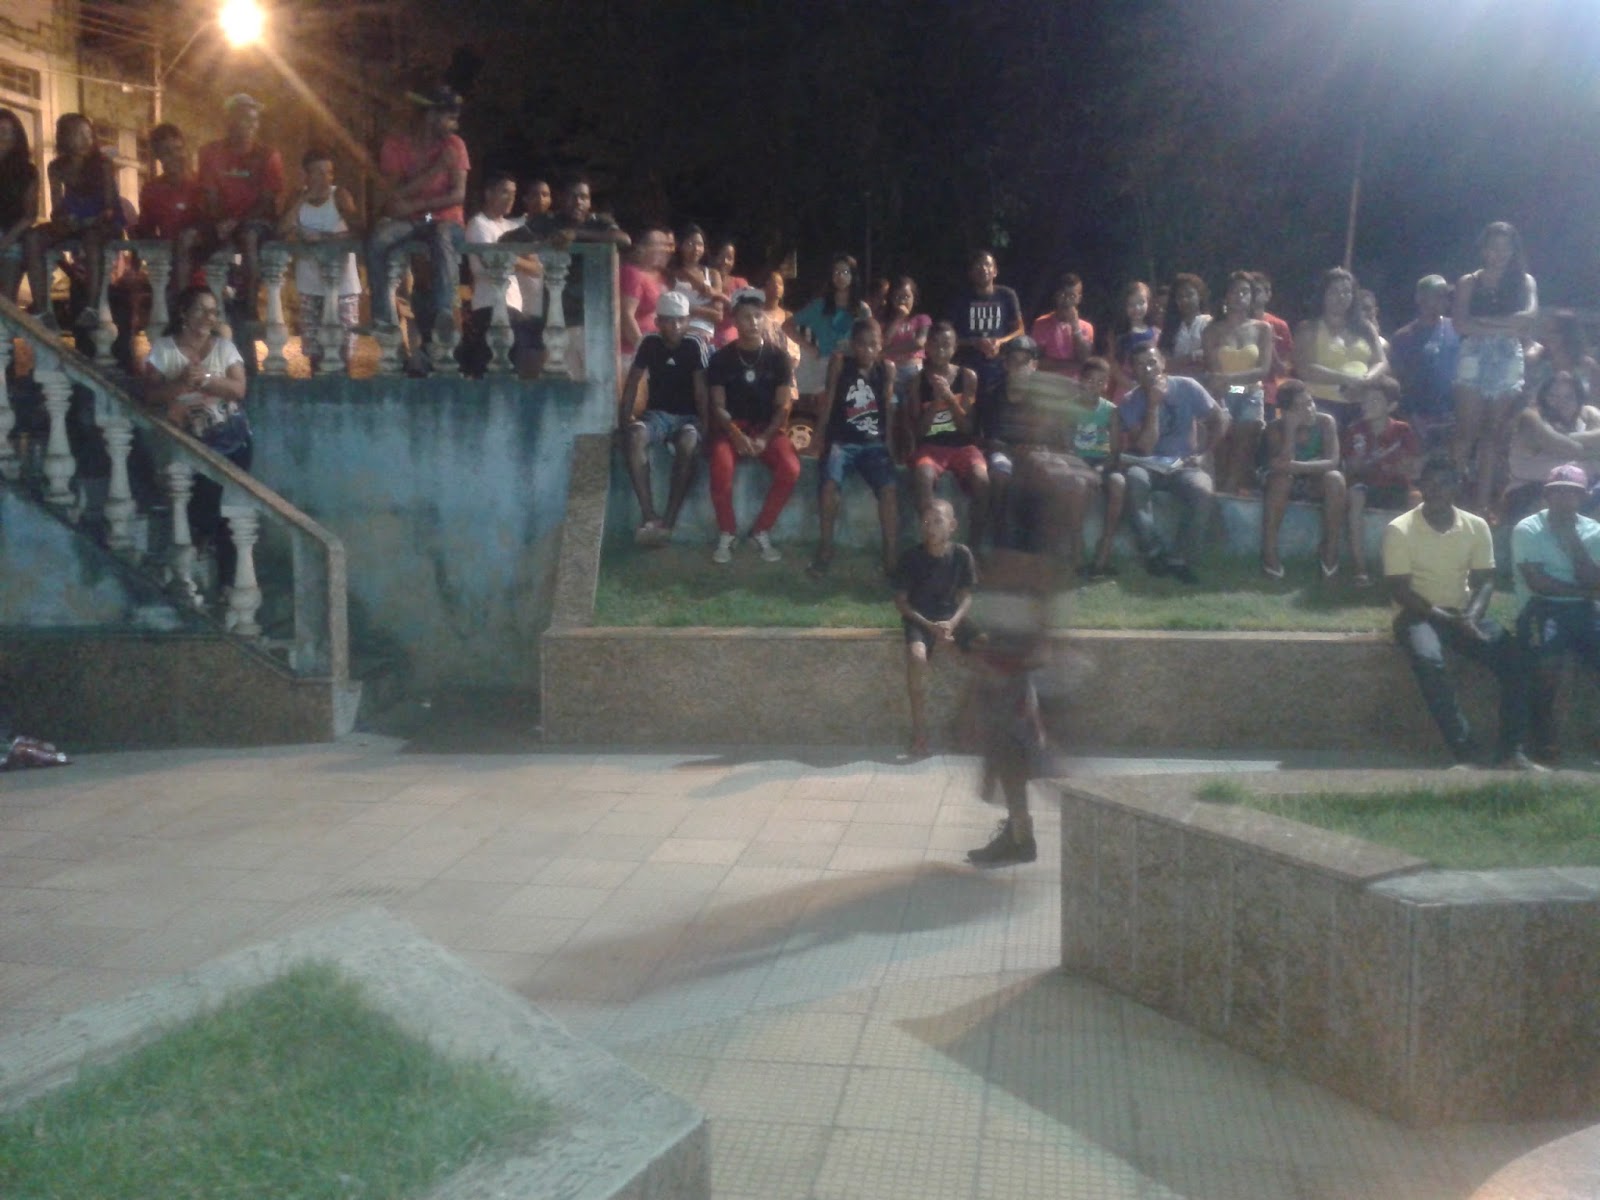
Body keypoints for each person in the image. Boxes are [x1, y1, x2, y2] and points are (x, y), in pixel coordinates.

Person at [1381, 456, 1526, 767]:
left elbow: (1486, 580)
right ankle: (1466, 752)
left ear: (1456, 487)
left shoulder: (1476, 526)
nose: (1435, 491)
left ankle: (1511, 751)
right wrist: (1450, 620)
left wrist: (1471, 618)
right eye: (1429, 484)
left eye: (1444, 484)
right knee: (1430, 660)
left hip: (1462, 613)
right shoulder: (1400, 529)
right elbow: (1400, 590)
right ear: (1420, 487)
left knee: (1515, 656)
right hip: (1417, 615)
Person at [139, 285, 251, 591]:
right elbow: (150, 394)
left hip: (231, 438)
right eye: (201, 309)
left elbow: (239, 389)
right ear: (184, 313)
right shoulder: (164, 349)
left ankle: (227, 581)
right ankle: (205, 565)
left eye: (213, 311)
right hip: (190, 440)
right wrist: (180, 384)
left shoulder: (224, 348)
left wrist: (208, 380)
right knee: (201, 503)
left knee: (228, 510)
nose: (208, 317)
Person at [366, 84, 470, 372]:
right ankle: (382, 316)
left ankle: (443, 312)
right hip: (416, 220)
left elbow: (458, 195)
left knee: (441, 233)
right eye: (449, 118)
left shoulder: (454, 145)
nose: (454, 125)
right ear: (430, 116)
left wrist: (414, 205)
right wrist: (436, 171)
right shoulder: (396, 145)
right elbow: (392, 196)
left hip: (442, 219)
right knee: (378, 239)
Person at [1511, 463, 1600, 766]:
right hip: (1541, 606)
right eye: (1557, 492)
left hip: (1584, 609)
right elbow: (1538, 583)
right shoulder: (1528, 528)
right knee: (1546, 667)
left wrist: (1572, 539)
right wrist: (1587, 592)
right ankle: (1542, 737)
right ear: (1546, 496)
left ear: (1583, 497)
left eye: (1572, 493)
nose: (1564, 498)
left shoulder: (1593, 531)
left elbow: (1595, 579)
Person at [1119, 343, 1227, 583]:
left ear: (1163, 363)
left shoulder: (1187, 387)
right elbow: (1145, 446)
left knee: (1202, 489)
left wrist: (1204, 454)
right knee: (1135, 480)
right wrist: (1153, 405)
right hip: (1147, 464)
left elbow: (1219, 419)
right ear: (1133, 371)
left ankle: (1180, 558)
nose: (1148, 369)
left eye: (1152, 362)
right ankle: (1153, 551)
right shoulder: (1130, 401)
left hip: (1183, 465)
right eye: (1140, 365)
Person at [705, 293, 800, 563]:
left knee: (791, 468)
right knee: (720, 466)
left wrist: (765, 438)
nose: (753, 322)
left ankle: (761, 530)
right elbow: (717, 405)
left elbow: (783, 405)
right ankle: (727, 532)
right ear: (735, 320)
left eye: (758, 316)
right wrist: (735, 434)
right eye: (746, 317)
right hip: (732, 427)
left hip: (766, 428)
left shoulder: (779, 358)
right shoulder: (721, 359)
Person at [1452, 221, 1538, 513]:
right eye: (1493, 247)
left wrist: (1484, 323)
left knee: (1493, 433)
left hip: (1508, 357)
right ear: (1484, 249)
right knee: (1466, 431)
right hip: (1474, 355)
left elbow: (1529, 318)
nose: (1499, 253)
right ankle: (1450, 499)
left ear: (1514, 250)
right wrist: (1506, 325)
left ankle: (1481, 505)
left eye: (1505, 247)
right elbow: (1460, 324)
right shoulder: (1469, 282)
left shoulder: (1525, 281)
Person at [616, 290, 709, 545]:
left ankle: (669, 520)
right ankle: (649, 515)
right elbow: (632, 383)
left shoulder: (694, 344)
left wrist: (706, 427)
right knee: (635, 435)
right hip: (657, 416)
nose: (675, 326)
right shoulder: (649, 343)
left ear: (688, 321)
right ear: (658, 322)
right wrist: (624, 422)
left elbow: (702, 391)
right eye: (668, 320)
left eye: (680, 320)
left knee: (688, 442)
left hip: (688, 417)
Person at [811, 317, 899, 577]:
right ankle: (826, 549)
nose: (867, 350)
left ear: (881, 345)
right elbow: (828, 401)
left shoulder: (887, 369)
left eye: (873, 344)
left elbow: (887, 409)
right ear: (853, 345)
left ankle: (891, 556)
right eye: (862, 344)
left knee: (889, 490)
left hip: (873, 443)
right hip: (842, 441)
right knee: (829, 485)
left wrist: (890, 444)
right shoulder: (840, 363)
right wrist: (818, 438)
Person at [892, 499, 976, 757]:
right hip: (920, 618)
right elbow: (902, 603)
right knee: (917, 657)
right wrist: (930, 626)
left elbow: (967, 597)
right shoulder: (911, 557)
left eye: (938, 522)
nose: (931, 528)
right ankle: (920, 733)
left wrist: (952, 624)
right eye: (926, 522)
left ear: (952, 525)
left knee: (986, 654)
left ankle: (966, 728)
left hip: (950, 617)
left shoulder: (962, 554)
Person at [23, 113, 121, 332]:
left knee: (92, 238)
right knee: (33, 237)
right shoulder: (56, 167)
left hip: (102, 222)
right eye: (78, 134)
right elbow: (57, 206)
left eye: (88, 134)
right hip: (75, 221)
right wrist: (63, 219)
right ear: (65, 138)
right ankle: (41, 308)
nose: (86, 139)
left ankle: (92, 307)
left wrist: (86, 221)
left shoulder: (103, 164)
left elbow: (109, 207)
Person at [195, 94, 283, 330]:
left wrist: (235, 221)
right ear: (231, 121)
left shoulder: (267, 155)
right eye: (245, 119)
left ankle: (249, 304)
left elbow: (267, 199)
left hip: (256, 220)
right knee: (191, 239)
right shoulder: (210, 152)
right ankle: (188, 301)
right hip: (222, 218)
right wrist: (219, 220)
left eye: (255, 120)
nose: (252, 125)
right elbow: (209, 193)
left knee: (249, 236)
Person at [280, 147, 361, 373]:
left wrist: (324, 238)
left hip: (342, 286)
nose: (325, 178)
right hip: (310, 286)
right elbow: (282, 230)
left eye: (329, 172)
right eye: (318, 172)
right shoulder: (297, 198)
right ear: (306, 175)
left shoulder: (340, 196)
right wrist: (302, 199)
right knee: (315, 353)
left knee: (342, 352)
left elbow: (358, 230)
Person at [909, 320, 988, 547]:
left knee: (982, 479)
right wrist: (936, 402)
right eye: (935, 344)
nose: (940, 350)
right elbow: (919, 432)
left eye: (946, 345)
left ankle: (974, 545)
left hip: (962, 447)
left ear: (954, 348)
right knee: (923, 475)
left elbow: (967, 428)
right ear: (927, 347)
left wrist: (950, 398)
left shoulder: (967, 377)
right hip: (931, 447)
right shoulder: (917, 381)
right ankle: (931, 543)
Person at [1260, 380, 1345, 579]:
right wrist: (1290, 430)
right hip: (1283, 484)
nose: (1309, 410)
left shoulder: (1325, 423)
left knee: (1335, 479)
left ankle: (1330, 548)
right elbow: (1280, 465)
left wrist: (1296, 467)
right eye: (1299, 407)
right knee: (1282, 479)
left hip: (1315, 481)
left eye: (1310, 402)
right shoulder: (1274, 429)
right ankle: (1269, 550)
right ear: (1286, 412)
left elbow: (1332, 462)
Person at [1343, 376, 1421, 588]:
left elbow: (1413, 468)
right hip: (1367, 486)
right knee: (1355, 494)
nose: (1367, 405)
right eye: (1365, 400)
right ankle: (1360, 569)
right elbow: (1351, 468)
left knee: (1417, 499)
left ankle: (1412, 568)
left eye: (1375, 400)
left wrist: (1394, 467)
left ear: (1391, 406)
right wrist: (1364, 463)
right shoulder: (1355, 430)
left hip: (1395, 486)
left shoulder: (1402, 430)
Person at [1203, 270, 1274, 495]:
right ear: (1225, 296)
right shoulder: (1212, 330)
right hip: (1223, 393)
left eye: (1245, 291)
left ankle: (1229, 494)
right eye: (1234, 291)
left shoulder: (1263, 328)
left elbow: (1263, 370)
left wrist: (1230, 380)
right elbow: (1214, 370)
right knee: (1222, 448)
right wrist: (1227, 385)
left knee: (1244, 448)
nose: (1239, 296)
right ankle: (1220, 494)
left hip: (1250, 392)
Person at [1502, 371, 1600, 528]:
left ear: (1579, 400)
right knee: (1563, 495)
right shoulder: (1531, 418)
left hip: (1580, 492)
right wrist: (1593, 451)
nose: (1561, 403)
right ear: (1542, 397)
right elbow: (1568, 448)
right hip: (1532, 493)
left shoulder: (1588, 414)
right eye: (1553, 396)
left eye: (1569, 397)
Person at [1294, 266, 1387, 428]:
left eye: (1346, 292)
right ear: (1323, 295)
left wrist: (1365, 381)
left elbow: (1381, 362)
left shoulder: (1365, 328)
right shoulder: (1309, 328)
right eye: (1334, 292)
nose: (1341, 297)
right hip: (1321, 403)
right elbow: (1305, 369)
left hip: (1361, 404)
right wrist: (1347, 379)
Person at [133, 123, 205, 303]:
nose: (175, 156)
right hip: (171, 276)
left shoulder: (203, 184)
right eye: (167, 151)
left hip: (206, 274)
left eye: (178, 149)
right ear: (158, 156)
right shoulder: (152, 190)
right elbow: (146, 229)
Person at [789, 252, 870, 414]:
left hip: (852, 365)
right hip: (824, 366)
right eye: (836, 272)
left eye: (845, 272)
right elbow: (787, 325)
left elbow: (869, 336)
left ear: (853, 276)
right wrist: (809, 347)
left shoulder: (862, 309)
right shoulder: (819, 305)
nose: (840, 276)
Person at [1066, 357, 1125, 578]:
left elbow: (1115, 451)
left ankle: (1104, 549)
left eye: (1101, 382)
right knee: (1079, 484)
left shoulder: (1111, 411)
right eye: (1090, 380)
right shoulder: (1068, 408)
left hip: (1103, 463)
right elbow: (1066, 446)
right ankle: (1077, 550)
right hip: (1078, 462)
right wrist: (1084, 468)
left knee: (1118, 483)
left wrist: (1100, 469)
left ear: (1107, 385)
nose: (1095, 386)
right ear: (1080, 381)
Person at [1387, 275, 1460, 453]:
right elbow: (1399, 382)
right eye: (1437, 295)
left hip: (1453, 415)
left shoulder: (1458, 328)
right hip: (1418, 417)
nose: (1443, 300)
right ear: (1420, 298)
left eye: (1445, 295)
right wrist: (1410, 417)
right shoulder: (1403, 337)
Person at [949, 247, 1025, 417]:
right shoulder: (961, 298)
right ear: (970, 273)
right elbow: (949, 336)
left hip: (999, 366)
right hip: (967, 366)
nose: (983, 269)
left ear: (995, 271)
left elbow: (1020, 330)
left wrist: (1000, 342)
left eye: (987, 265)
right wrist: (974, 342)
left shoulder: (1006, 295)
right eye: (978, 265)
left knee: (995, 413)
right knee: (968, 414)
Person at [617, 225, 671, 368]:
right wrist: (645, 353)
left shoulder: (659, 276)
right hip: (632, 354)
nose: (666, 250)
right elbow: (626, 316)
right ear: (643, 248)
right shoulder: (632, 273)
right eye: (660, 245)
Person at [0, 108, 37, 303]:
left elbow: (29, 215)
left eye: (8, 132)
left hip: (12, 237)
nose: (2, 137)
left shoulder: (27, 172)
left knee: (6, 300)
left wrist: (5, 242)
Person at [1031, 272, 1094, 380]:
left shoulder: (1086, 327)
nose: (1067, 301)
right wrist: (1074, 365)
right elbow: (1037, 362)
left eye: (1072, 296)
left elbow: (1084, 359)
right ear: (1056, 296)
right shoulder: (1041, 323)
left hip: (1073, 386)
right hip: (1047, 383)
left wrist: (1075, 327)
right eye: (1063, 295)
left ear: (1079, 299)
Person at [882, 275, 931, 405]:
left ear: (914, 298)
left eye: (906, 297)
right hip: (892, 372)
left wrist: (886, 352)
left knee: (911, 405)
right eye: (898, 297)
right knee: (891, 405)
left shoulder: (921, 319)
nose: (902, 301)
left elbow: (919, 343)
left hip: (913, 370)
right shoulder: (886, 321)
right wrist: (898, 319)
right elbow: (884, 341)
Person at [1248, 271, 1294, 411]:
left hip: (1267, 394)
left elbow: (1283, 371)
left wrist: (1270, 345)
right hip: (1235, 389)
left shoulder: (1279, 325)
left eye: (1257, 291)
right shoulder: (1230, 324)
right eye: (1248, 291)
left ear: (1268, 295)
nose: (1252, 295)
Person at [1156, 272, 1211, 376]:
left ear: (1199, 295)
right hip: (1177, 382)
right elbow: (1163, 364)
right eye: (1180, 297)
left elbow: (1210, 358)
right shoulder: (1171, 329)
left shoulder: (1210, 324)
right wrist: (1192, 357)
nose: (1185, 300)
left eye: (1189, 295)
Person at [1110, 280, 1157, 399]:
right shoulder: (1118, 335)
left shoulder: (1157, 333)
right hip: (1125, 391)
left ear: (1148, 303)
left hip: (1151, 391)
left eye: (1141, 303)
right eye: (1131, 304)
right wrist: (1133, 386)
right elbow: (1113, 367)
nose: (1137, 308)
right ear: (1124, 306)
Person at [708, 235, 747, 345]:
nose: (725, 261)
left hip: (733, 343)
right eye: (721, 256)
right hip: (705, 339)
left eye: (730, 258)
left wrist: (719, 296)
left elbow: (745, 312)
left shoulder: (740, 284)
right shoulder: (703, 280)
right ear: (713, 256)